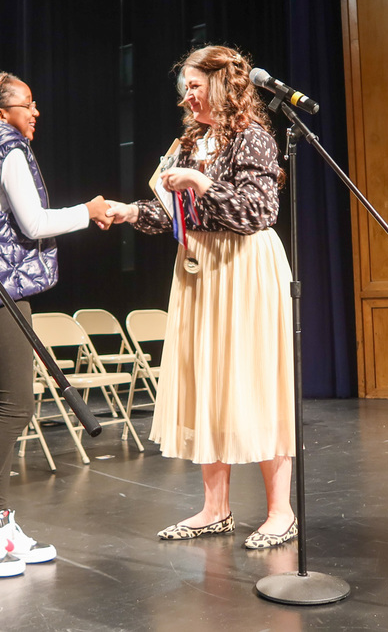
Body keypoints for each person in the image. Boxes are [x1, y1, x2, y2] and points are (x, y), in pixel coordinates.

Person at [105, 45, 297, 550]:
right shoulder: (191, 142)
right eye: (184, 89)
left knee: (255, 382)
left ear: (222, 84)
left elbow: (256, 211)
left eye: (194, 86)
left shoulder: (253, 138)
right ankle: (215, 509)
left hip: (244, 267)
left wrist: (202, 182)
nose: (187, 97)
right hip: (200, 268)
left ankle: (281, 512)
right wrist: (131, 212)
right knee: (207, 380)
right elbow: (174, 213)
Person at [0, 72, 111, 577]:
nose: (35, 112)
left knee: (4, 407)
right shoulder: (6, 149)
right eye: (26, 104)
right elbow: (33, 224)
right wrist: (87, 211)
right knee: (14, 408)